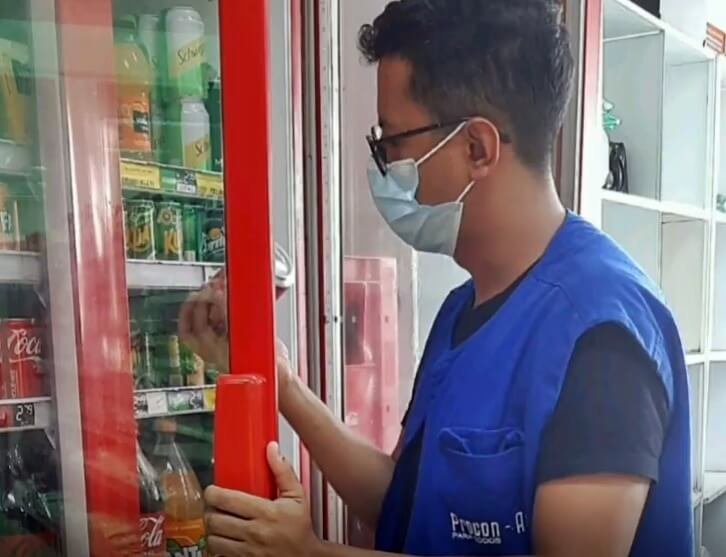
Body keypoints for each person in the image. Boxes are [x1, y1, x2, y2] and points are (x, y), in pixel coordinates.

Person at [179, 0, 692, 555]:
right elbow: (408, 505)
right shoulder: (462, 309)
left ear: (477, 148)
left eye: (393, 143)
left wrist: (311, 553)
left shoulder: (602, 334)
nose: (383, 165)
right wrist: (284, 385)